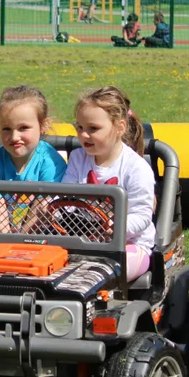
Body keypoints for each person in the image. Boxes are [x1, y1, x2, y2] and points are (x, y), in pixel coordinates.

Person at [62, 86, 155, 281]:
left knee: (102, 271)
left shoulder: (136, 167)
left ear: (120, 128)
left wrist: (117, 226)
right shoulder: (78, 159)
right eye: (79, 127)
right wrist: (55, 210)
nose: (84, 135)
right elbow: (65, 197)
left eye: (93, 129)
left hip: (128, 245)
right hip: (83, 241)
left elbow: (142, 215)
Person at [0, 86, 67, 233]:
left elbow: (42, 210)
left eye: (23, 128)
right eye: (7, 129)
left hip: (43, 234)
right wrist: (9, 245)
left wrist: (20, 242)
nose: (14, 137)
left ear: (43, 125)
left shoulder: (52, 162)